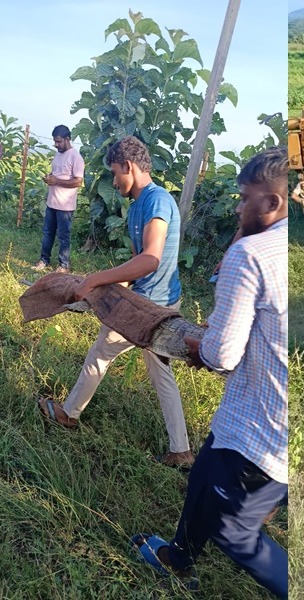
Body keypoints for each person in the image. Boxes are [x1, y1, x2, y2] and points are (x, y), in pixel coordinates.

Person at [130, 146, 289, 598]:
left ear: (272, 203)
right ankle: (179, 556)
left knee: (234, 531)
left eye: (244, 198)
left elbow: (223, 354)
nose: (239, 207)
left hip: (253, 426)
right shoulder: (280, 246)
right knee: (203, 479)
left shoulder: (251, 255)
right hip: (281, 427)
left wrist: (201, 346)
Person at [37, 135, 193, 469]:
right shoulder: (139, 205)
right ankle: (180, 449)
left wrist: (95, 279)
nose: (113, 180)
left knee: (100, 352)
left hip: (151, 309)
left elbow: (151, 260)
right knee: (160, 372)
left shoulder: (156, 201)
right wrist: (101, 291)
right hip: (149, 300)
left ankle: (68, 414)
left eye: (114, 173)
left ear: (129, 167)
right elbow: (137, 263)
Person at [34, 125, 84, 274]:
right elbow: (56, 173)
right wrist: (49, 177)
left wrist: (56, 181)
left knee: (63, 236)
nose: (56, 145)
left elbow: (77, 182)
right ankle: (44, 260)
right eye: (55, 142)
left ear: (67, 139)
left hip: (65, 206)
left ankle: (64, 265)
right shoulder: (58, 154)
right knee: (47, 233)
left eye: (59, 141)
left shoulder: (76, 157)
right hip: (52, 202)